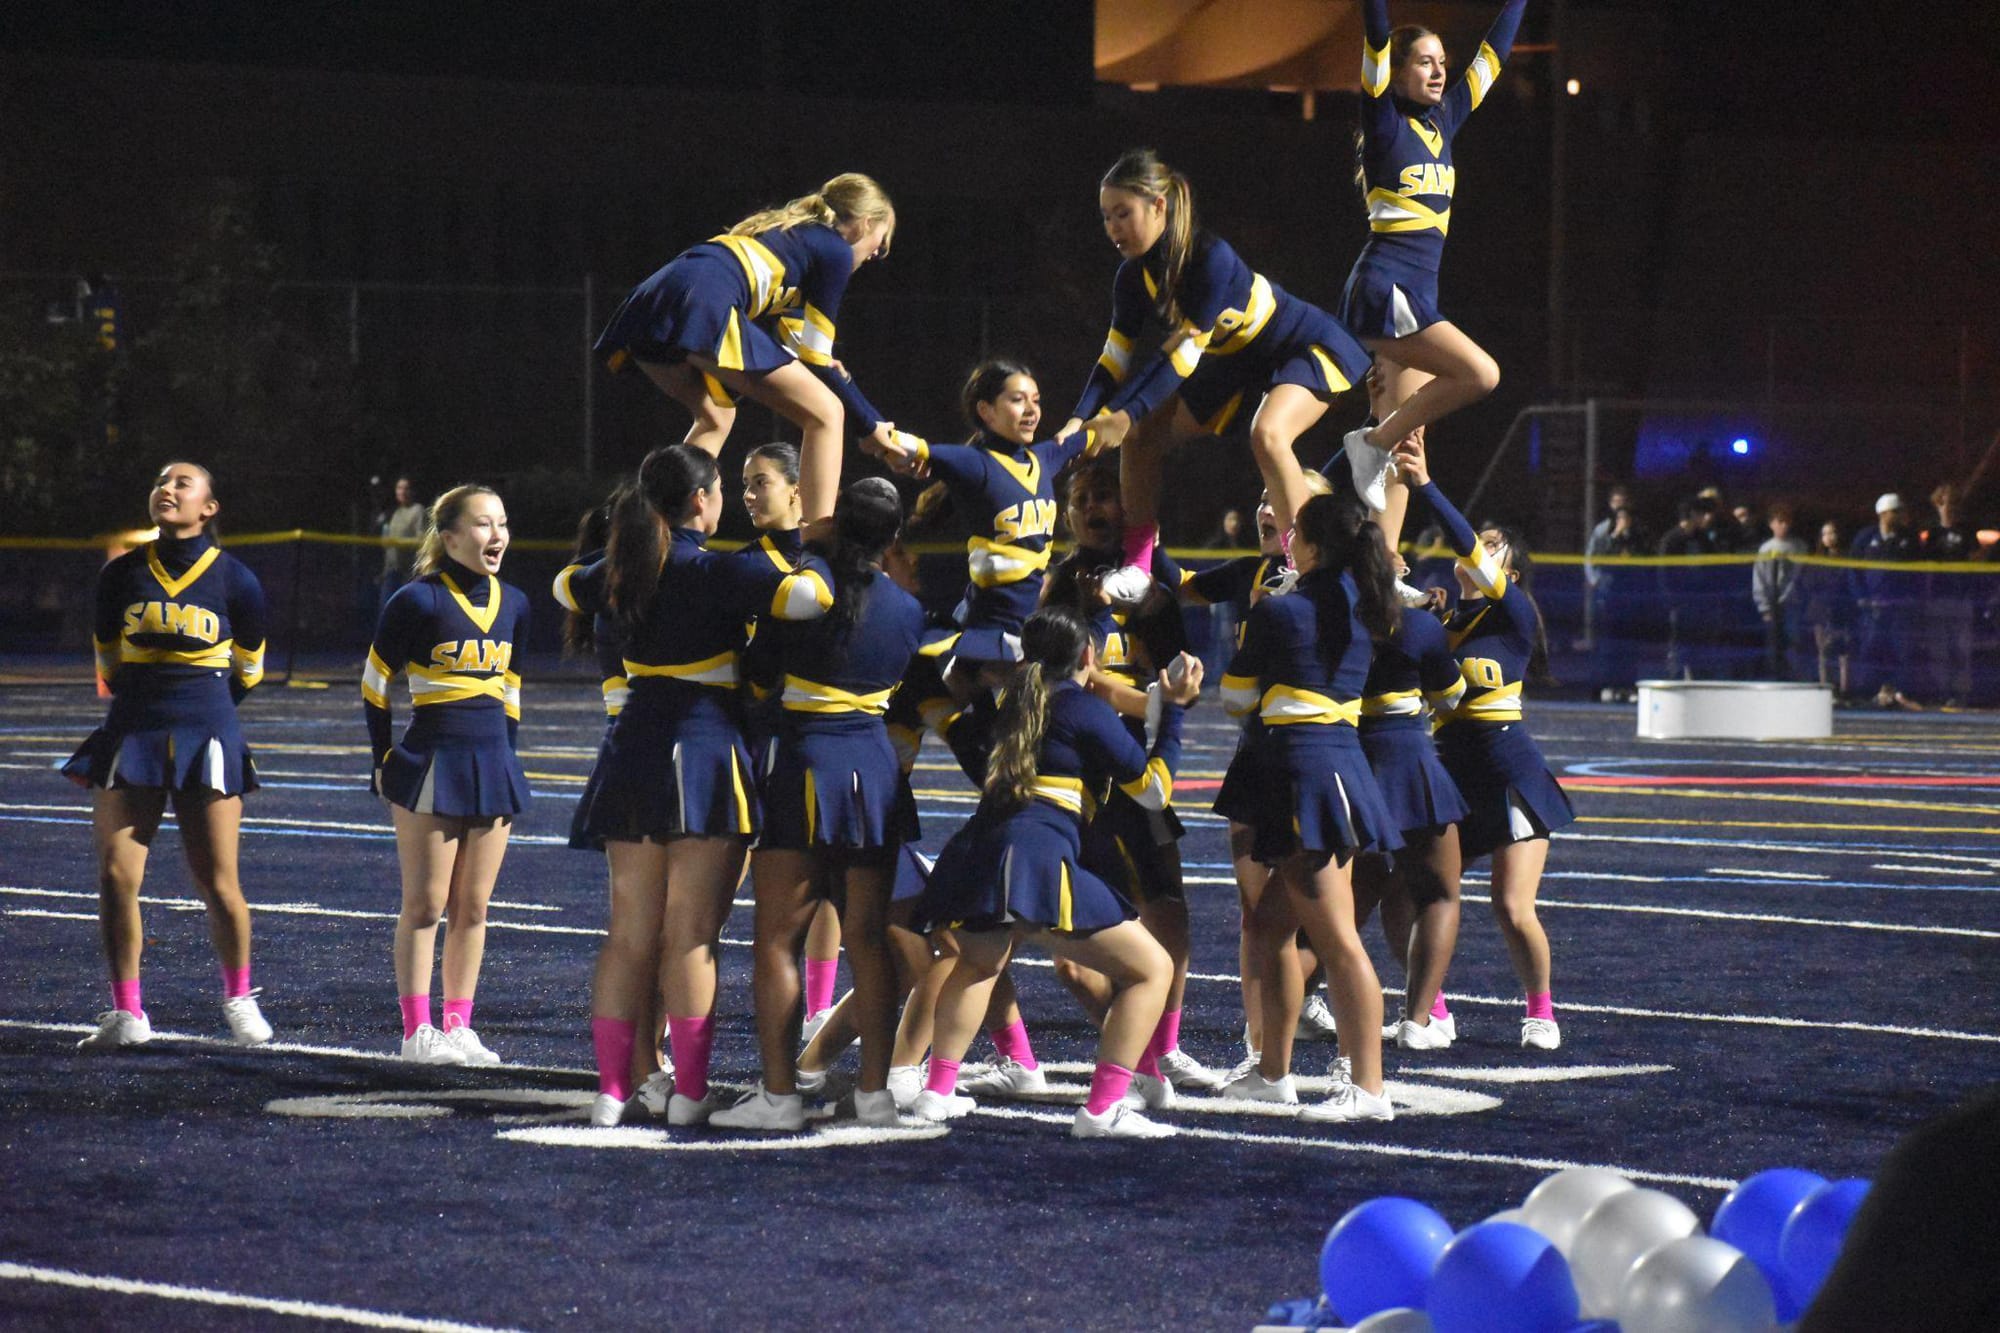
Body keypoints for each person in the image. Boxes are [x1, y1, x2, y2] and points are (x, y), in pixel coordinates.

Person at [562, 445, 833, 1128]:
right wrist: (813, 548)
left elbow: (567, 585)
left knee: (627, 936)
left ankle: (613, 1090)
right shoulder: (718, 568)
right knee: (690, 937)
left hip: (633, 751)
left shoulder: (619, 568)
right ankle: (687, 1093)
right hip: (706, 752)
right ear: (703, 502)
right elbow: (807, 599)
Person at [914, 606, 1201, 1139]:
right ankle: (1104, 1107)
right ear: (1089, 658)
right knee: (1152, 970)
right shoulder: (1080, 709)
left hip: (981, 844)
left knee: (977, 964)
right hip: (1037, 852)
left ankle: (937, 1091)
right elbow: (1155, 791)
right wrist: (1176, 712)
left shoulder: (1009, 704)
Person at [1059, 148, 1374, 601]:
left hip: (1301, 343)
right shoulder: (1131, 278)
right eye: (1106, 217)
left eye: (1123, 214)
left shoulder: (1211, 257)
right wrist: (1079, 418)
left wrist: (1123, 414)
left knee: (1267, 434)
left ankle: (1307, 567)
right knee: (1141, 435)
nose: (1113, 228)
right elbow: (1114, 358)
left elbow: (1183, 358)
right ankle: (1139, 564)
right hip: (1238, 359)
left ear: (1159, 206)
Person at [713, 478, 926, 1131]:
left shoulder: (802, 598)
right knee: (867, 936)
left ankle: (779, 1096)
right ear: (893, 537)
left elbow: (751, 675)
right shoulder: (908, 609)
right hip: (875, 770)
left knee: (779, 936)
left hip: (805, 764)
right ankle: (874, 1095)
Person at [64, 461, 274, 1049]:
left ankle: (238, 998)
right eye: (160, 481)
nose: (167, 489)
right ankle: (127, 1013)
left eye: (183, 483)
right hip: (132, 731)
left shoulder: (237, 580)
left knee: (217, 880)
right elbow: (108, 660)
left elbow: (249, 671)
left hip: (207, 733)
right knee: (114, 875)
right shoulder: (121, 575)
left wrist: (202, 709)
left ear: (209, 507)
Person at [1219, 490, 1403, 1123]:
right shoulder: (1369, 605)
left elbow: (1235, 699)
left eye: (1297, 531)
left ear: (1313, 544)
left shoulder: (1281, 610)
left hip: (1302, 771)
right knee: (1270, 929)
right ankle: (1272, 1072)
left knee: (1339, 941)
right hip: (1338, 765)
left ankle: (1369, 1088)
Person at [1396, 434, 1574, 1050]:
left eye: (1491, 548)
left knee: (1510, 906)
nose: (1477, 550)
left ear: (1510, 573)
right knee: (1416, 893)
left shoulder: (1515, 616)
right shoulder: (1439, 624)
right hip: (1446, 773)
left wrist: (1424, 486)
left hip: (1507, 771)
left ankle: (1541, 1011)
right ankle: (1433, 1011)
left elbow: (1465, 541)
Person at [593, 173, 900, 525]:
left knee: (715, 416)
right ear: (865, 224)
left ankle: (659, 526)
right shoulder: (835, 251)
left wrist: (832, 372)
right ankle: (818, 547)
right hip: (702, 302)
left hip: (655, 299)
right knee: (826, 414)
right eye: (882, 240)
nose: (878, 252)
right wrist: (870, 425)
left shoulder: (796, 239)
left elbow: (804, 349)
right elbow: (815, 361)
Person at [1160, 476, 1342, 1070]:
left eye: (1280, 496)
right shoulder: (1250, 572)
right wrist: (1139, 538)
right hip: (1256, 758)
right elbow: (1181, 586)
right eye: (1261, 496)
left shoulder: (1339, 585)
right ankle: (1259, 1046)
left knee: (1339, 917)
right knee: (1257, 912)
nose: (1266, 506)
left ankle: (1392, 1032)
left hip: (1320, 762)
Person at [1335, 0, 1528, 536]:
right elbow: (1375, 36)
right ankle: (1364, 446)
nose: (1440, 70)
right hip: (1386, 288)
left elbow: (1492, 58)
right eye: (1424, 61)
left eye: (1442, 60)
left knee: (1405, 443)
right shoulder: (1383, 124)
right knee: (1480, 374)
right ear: (1395, 74)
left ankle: (1385, 565)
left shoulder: (1444, 120)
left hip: (1417, 296)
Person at [363, 484, 530, 1064]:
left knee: (474, 908)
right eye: (483, 524)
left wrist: (508, 754)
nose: (497, 535)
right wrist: (382, 759)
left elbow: (510, 688)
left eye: (502, 523)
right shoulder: (416, 600)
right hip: (431, 761)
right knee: (425, 904)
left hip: (493, 765)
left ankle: (460, 1025)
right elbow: (375, 684)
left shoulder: (515, 603)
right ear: (450, 535)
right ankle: (417, 1032)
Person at [869, 359, 1091, 695]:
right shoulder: (975, 464)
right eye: (1018, 400)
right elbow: (887, 436)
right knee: (965, 703)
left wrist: (1179, 358)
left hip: (1026, 631)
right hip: (988, 632)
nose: (1031, 410)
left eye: (1036, 399)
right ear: (986, 410)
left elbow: (1112, 417)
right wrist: (833, 377)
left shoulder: (1043, 459)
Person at [1353, 546, 1470, 1049]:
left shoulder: (1320, 617)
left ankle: (1268, 1030)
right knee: (1439, 893)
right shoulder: (1419, 626)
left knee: (1337, 915)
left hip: (1345, 758)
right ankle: (1418, 1021)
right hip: (1406, 759)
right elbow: (1451, 697)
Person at [1849, 493, 1918, 705]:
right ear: (1884, 513)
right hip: (1872, 608)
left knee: (1900, 650)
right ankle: (1869, 691)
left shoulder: (1908, 539)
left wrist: (1911, 597)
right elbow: (1854, 570)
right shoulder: (1866, 537)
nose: (1899, 516)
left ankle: (1898, 692)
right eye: (1895, 512)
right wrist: (1861, 597)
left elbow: (1918, 572)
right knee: (1870, 648)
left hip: (1898, 607)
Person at [1918, 483, 1977, 707]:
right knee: (1938, 649)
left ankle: (1962, 694)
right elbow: (1927, 563)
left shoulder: (1967, 530)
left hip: (1961, 598)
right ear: (1937, 503)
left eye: (1951, 501)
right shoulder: (1932, 532)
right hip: (1938, 599)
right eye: (1943, 501)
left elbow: (1974, 558)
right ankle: (1942, 692)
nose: (1948, 505)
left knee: (1962, 649)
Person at [1799, 519, 1855, 697]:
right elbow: (1807, 584)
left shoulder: (1848, 559)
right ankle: (1825, 688)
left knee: (1844, 652)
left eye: (1832, 532)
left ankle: (1845, 690)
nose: (1829, 537)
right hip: (1821, 611)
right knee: (1823, 651)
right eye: (1825, 534)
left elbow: (1852, 583)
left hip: (1843, 610)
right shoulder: (1815, 561)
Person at [1753, 504, 1807, 680]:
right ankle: (1774, 677)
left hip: (1793, 604)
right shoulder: (1765, 549)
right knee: (1773, 644)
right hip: (1772, 605)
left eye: (1787, 522)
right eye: (1780, 522)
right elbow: (1759, 579)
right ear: (1772, 524)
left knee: (1794, 642)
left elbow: (1801, 576)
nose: (1784, 525)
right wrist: (1764, 607)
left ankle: (1794, 676)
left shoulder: (1799, 546)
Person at [377, 476, 426, 613]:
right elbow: (387, 544)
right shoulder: (395, 512)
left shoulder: (418, 510)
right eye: (399, 488)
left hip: (408, 573)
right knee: (386, 611)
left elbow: (421, 540)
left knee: (405, 613)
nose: (402, 492)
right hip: (391, 572)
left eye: (406, 488)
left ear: (412, 491)